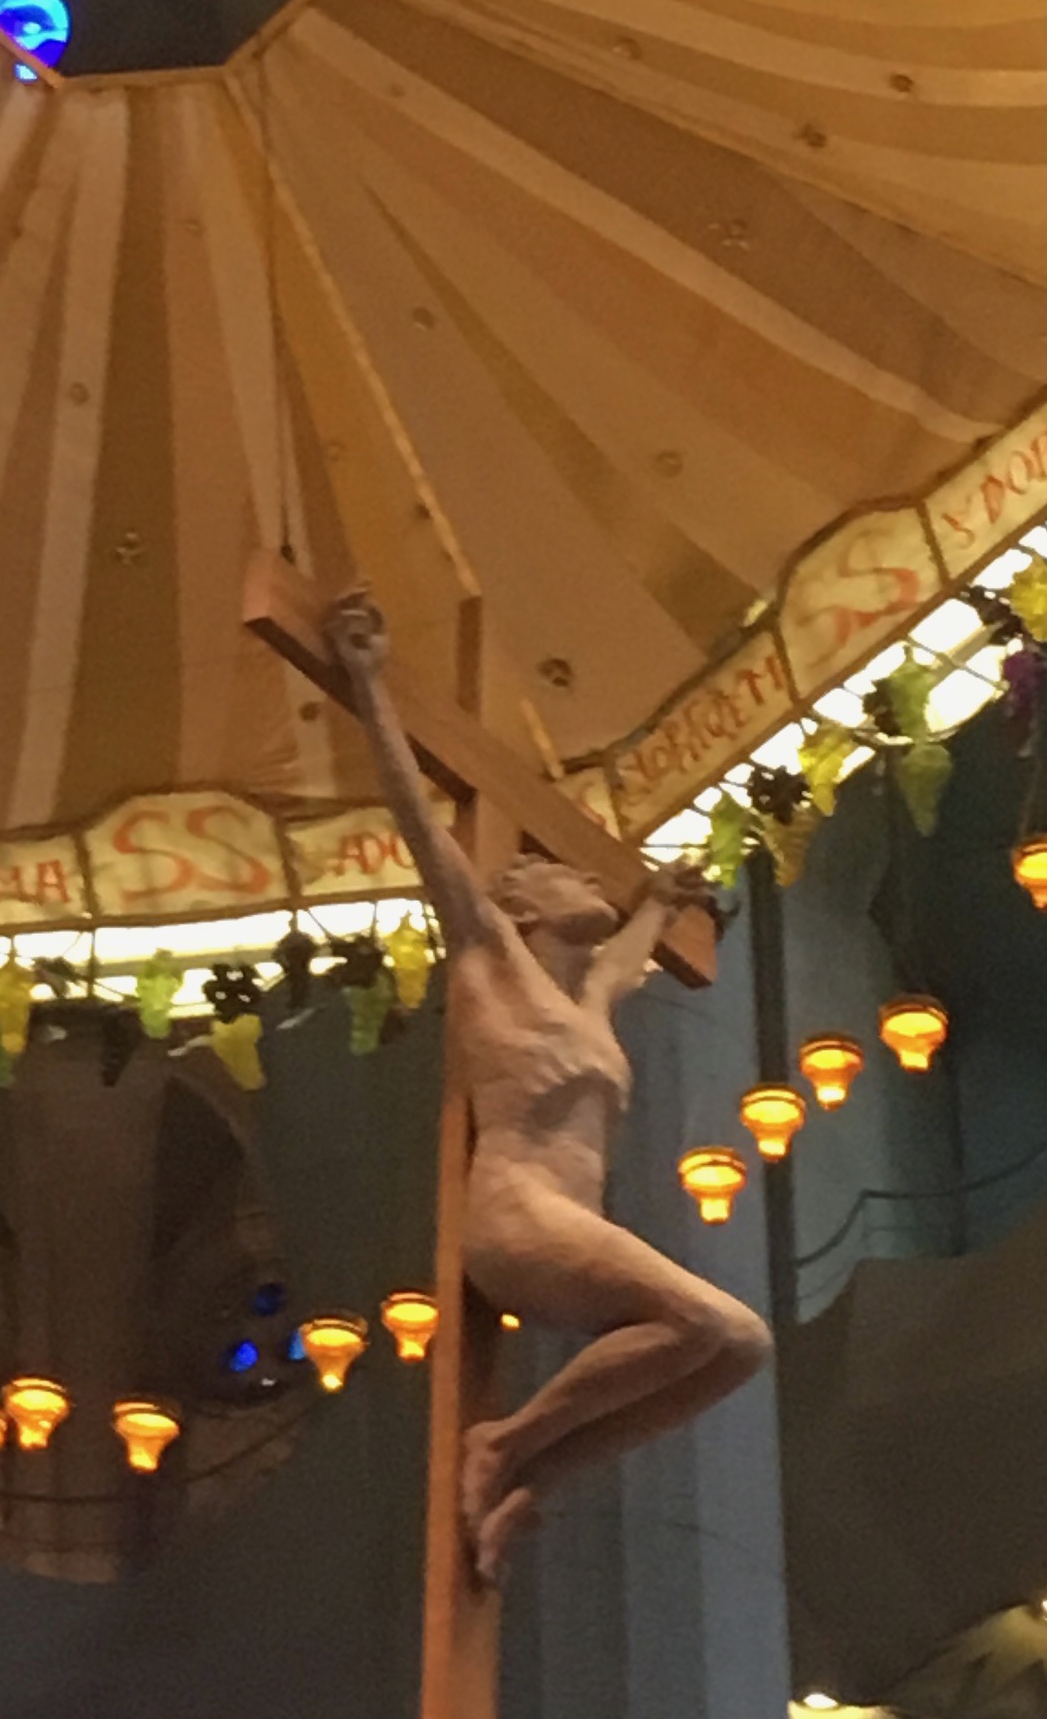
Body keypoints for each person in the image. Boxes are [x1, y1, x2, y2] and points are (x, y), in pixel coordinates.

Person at [327, 586, 770, 1584]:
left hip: (573, 1226)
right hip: (520, 1216)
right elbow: (420, 825)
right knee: (711, 1324)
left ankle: (531, 1474)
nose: (586, 881)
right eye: (558, 873)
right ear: (519, 903)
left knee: (741, 1350)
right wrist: (366, 682)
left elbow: (625, 955)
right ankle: (510, 1441)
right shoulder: (487, 953)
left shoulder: (588, 1007)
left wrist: (661, 902)